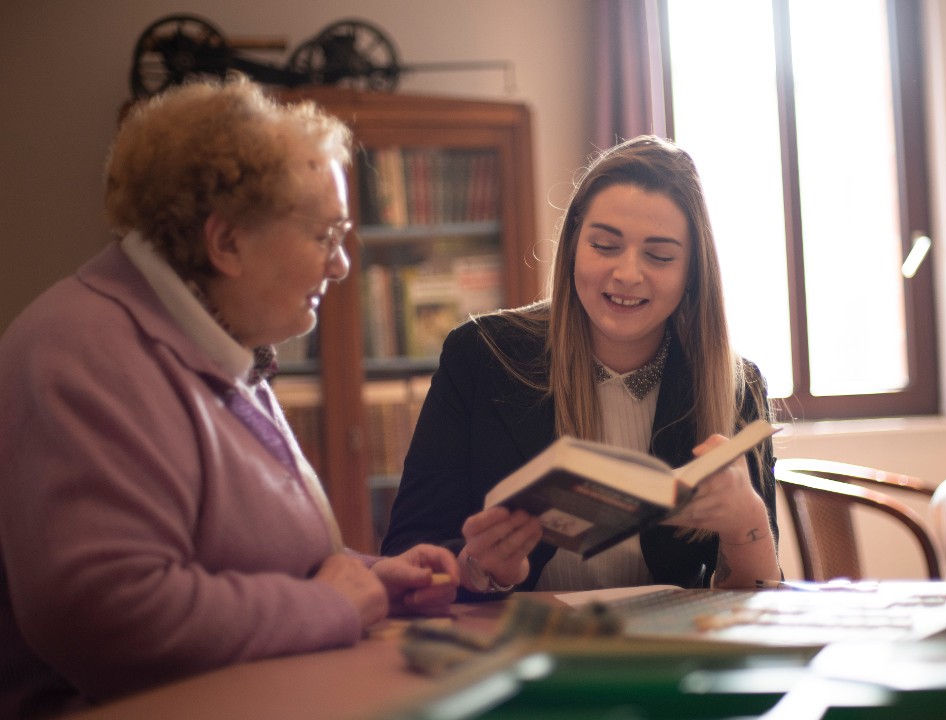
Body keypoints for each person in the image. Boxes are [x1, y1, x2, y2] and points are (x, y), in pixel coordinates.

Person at [0, 76, 459, 718]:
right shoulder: (79, 350)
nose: (341, 265)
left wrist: (370, 578)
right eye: (324, 235)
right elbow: (110, 614)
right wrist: (328, 606)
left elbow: (244, 558)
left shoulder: (210, 338)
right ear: (227, 242)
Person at [381, 135, 781, 599]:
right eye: (605, 246)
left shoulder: (735, 385)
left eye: (660, 256)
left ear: (692, 272)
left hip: (664, 654)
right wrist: (478, 568)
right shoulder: (481, 355)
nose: (628, 274)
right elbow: (406, 555)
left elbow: (759, 604)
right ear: (573, 247)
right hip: (515, 648)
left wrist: (745, 523)